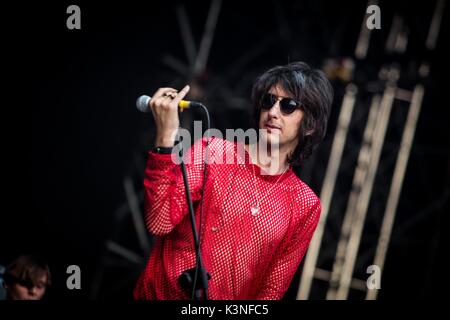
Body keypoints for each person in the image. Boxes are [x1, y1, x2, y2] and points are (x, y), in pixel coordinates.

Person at [134, 61, 333, 300]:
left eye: (288, 106)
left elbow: (271, 292)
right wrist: (165, 138)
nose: (273, 112)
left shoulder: (304, 204)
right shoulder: (213, 151)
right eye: (269, 101)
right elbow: (159, 222)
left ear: (310, 125)